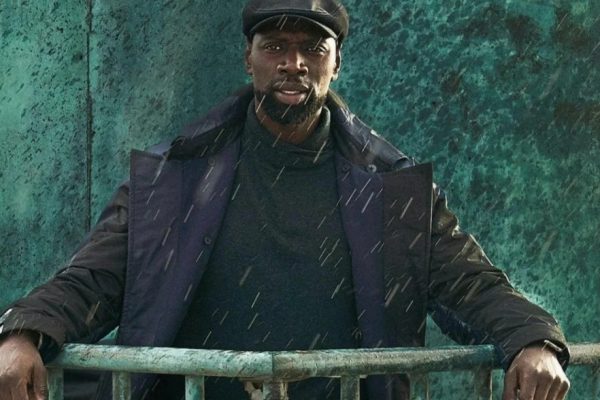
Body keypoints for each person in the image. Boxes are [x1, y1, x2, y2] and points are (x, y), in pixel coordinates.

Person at [0, 0, 570, 399]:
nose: (293, 63)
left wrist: (534, 340)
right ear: (248, 59)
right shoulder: (173, 182)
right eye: (275, 46)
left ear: (336, 63)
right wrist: (22, 332)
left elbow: (472, 285)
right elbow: (92, 280)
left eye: (312, 49)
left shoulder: (392, 191)